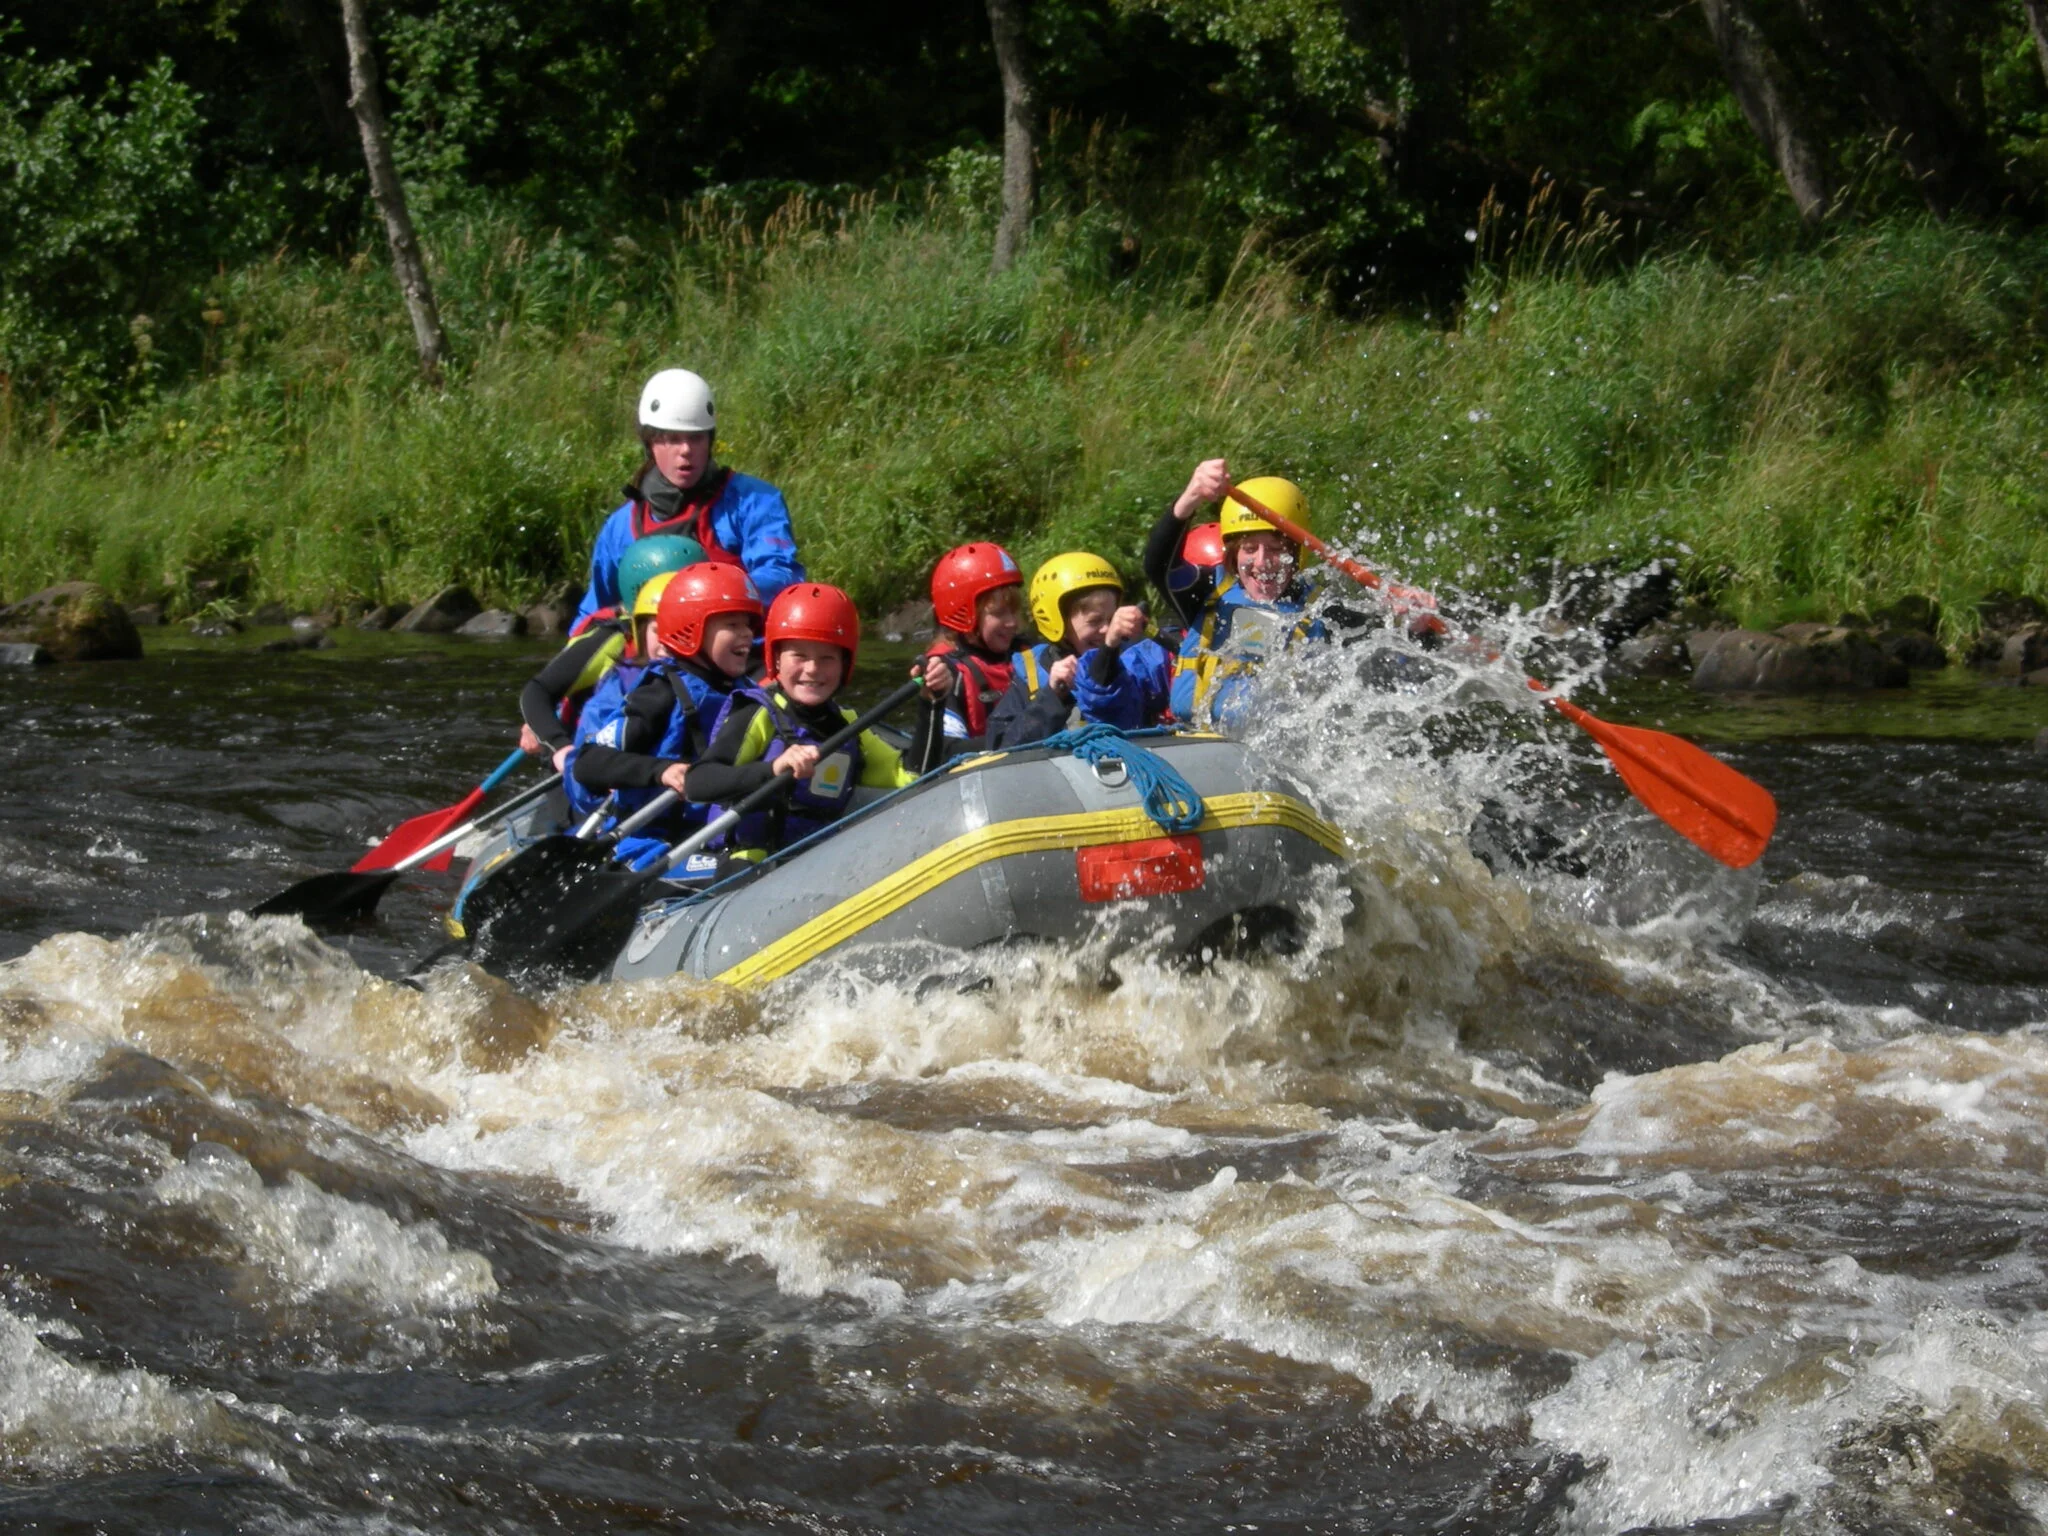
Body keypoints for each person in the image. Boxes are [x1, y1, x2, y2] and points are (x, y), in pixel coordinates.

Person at [684, 584, 951, 861]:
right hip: (747, 862)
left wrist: (931, 705)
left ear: (844, 665)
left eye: (827, 658)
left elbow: (916, 778)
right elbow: (698, 783)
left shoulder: (848, 726)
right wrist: (773, 768)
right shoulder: (758, 714)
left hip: (815, 865)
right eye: (799, 656)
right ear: (776, 658)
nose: (812, 669)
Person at [572, 368, 804, 629]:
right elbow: (593, 610)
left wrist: (708, 597)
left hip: (735, 650)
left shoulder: (754, 502)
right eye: (672, 439)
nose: (686, 451)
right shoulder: (620, 526)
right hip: (655, 654)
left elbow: (780, 575)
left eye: (696, 438)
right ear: (650, 445)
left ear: (710, 440)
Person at [567, 564, 766, 863]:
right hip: (652, 846)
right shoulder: (660, 692)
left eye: (748, 624)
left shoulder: (749, 693)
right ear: (693, 628)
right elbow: (587, 763)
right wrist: (661, 771)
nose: (746, 635)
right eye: (732, 625)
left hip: (715, 837)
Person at [519, 534, 705, 770]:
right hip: (588, 758)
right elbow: (537, 691)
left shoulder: (714, 635)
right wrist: (559, 746)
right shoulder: (613, 639)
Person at [1164, 465, 1328, 731]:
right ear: (1233, 554)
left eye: (1275, 549)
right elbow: (1157, 564)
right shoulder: (1206, 591)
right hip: (1196, 742)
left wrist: (1414, 623)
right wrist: (1189, 499)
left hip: (1275, 754)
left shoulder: (1322, 608)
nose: (1262, 563)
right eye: (1249, 549)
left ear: (1297, 554)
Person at [985, 552, 1173, 749]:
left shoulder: (1132, 661)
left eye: (1112, 619)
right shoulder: (1031, 676)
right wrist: (1052, 696)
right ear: (1058, 622)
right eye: (1094, 621)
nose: (1108, 630)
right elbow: (1000, 747)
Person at [923, 542, 1027, 754]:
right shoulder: (947, 673)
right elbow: (948, 751)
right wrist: (1024, 738)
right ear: (963, 613)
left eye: (1015, 612)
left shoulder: (1027, 652)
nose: (1012, 623)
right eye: (999, 613)